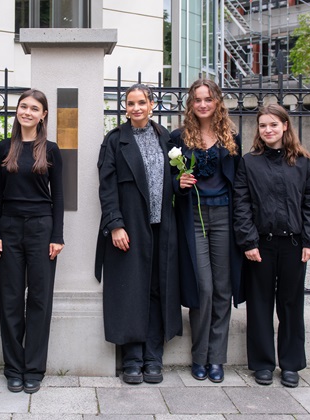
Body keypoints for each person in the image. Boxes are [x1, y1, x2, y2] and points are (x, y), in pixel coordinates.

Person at [95, 83, 182, 385]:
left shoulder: (166, 139)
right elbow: (106, 187)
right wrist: (115, 224)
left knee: (158, 291)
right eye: (130, 103)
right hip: (129, 228)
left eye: (141, 103)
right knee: (131, 291)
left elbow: (173, 178)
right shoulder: (116, 140)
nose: (135, 108)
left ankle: (153, 357)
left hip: (162, 227)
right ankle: (132, 359)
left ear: (152, 104)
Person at [233, 104, 310, 388]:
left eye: (273, 124)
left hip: (294, 245)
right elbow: (242, 204)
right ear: (258, 130)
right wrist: (248, 241)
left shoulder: (303, 163)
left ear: (285, 126)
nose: (268, 130)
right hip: (261, 245)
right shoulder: (249, 162)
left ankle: (291, 364)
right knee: (260, 304)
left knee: (291, 305)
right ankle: (262, 364)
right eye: (263, 125)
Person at [0, 89, 64, 394]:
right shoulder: (4, 148)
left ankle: (34, 367)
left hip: (41, 230)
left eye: (34, 108)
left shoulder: (52, 149)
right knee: (9, 299)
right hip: (8, 229)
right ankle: (13, 367)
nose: (28, 112)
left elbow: (59, 197)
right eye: (23, 107)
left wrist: (57, 236)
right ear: (17, 111)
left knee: (39, 300)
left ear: (43, 115)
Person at [170, 79, 243, 383]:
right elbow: (166, 182)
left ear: (217, 102)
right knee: (203, 288)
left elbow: (240, 182)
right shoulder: (178, 138)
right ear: (191, 104)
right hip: (194, 217)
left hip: (224, 215)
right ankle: (199, 356)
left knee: (223, 288)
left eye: (208, 99)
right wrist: (179, 184)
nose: (202, 104)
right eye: (197, 99)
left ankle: (217, 359)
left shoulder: (231, 137)